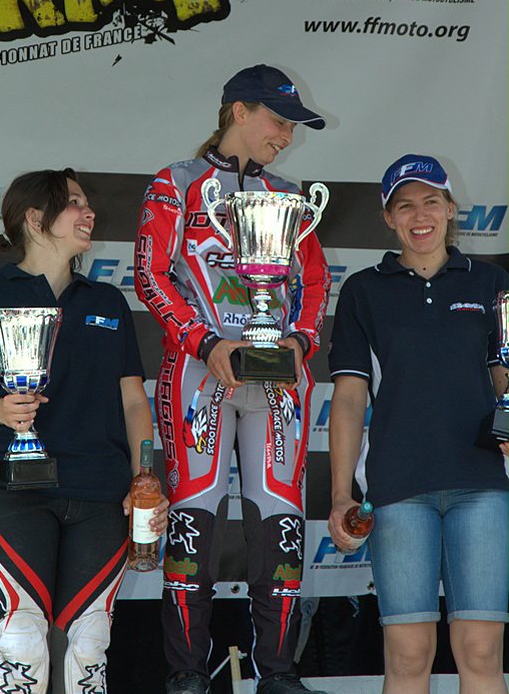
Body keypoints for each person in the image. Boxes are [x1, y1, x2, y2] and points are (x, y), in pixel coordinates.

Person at [134, 64, 331, 694]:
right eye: (279, 121)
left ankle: (278, 674)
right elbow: (151, 274)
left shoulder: (290, 197)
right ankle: (187, 674)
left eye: (293, 126)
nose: (287, 137)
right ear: (238, 111)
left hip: (278, 383)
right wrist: (205, 341)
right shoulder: (177, 185)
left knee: (281, 516)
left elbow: (314, 285)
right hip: (200, 374)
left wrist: (299, 341)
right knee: (194, 514)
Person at [328, 154, 509, 694]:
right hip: (399, 487)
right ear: (389, 218)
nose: (419, 214)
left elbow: (505, 373)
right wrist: (341, 494)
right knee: (408, 655)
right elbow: (348, 396)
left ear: (452, 209)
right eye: (404, 205)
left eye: (431, 200)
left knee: (481, 648)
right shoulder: (363, 290)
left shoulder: (492, 282)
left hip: (481, 485)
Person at [0, 168, 169, 694]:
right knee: (21, 640)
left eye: (87, 204)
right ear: (34, 218)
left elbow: (134, 401)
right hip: (8, 489)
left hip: (100, 492)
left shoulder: (107, 302)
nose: (88, 213)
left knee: (89, 645)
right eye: (73, 204)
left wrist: (144, 478)